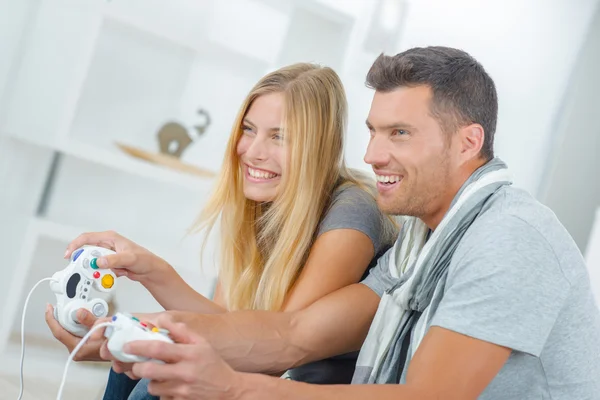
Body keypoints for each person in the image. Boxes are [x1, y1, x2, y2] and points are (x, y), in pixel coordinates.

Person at [86, 46, 600, 399]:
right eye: (374, 131)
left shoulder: (510, 240)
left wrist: (235, 387)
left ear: (468, 142)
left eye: (399, 133)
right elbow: (295, 335)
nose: (373, 154)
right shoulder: (419, 242)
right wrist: (147, 336)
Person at [45, 63, 398, 397]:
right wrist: (150, 271)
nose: (252, 151)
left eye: (280, 137)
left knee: (157, 368)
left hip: (294, 389)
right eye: (248, 129)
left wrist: (128, 333)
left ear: (317, 149)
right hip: (263, 375)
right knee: (137, 363)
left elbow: (276, 348)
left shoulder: (353, 211)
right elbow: (229, 328)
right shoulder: (264, 204)